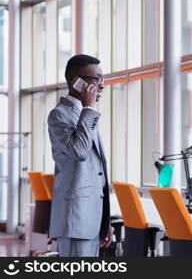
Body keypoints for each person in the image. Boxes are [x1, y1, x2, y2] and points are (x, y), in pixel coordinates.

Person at [47, 54, 112, 257]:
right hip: (75, 220)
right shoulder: (59, 115)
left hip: (91, 218)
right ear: (75, 79)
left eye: (102, 79)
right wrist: (89, 108)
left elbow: (96, 174)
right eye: (96, 79)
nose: (101, 86)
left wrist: (104, 220)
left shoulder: (84, 115)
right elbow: (79, 152)